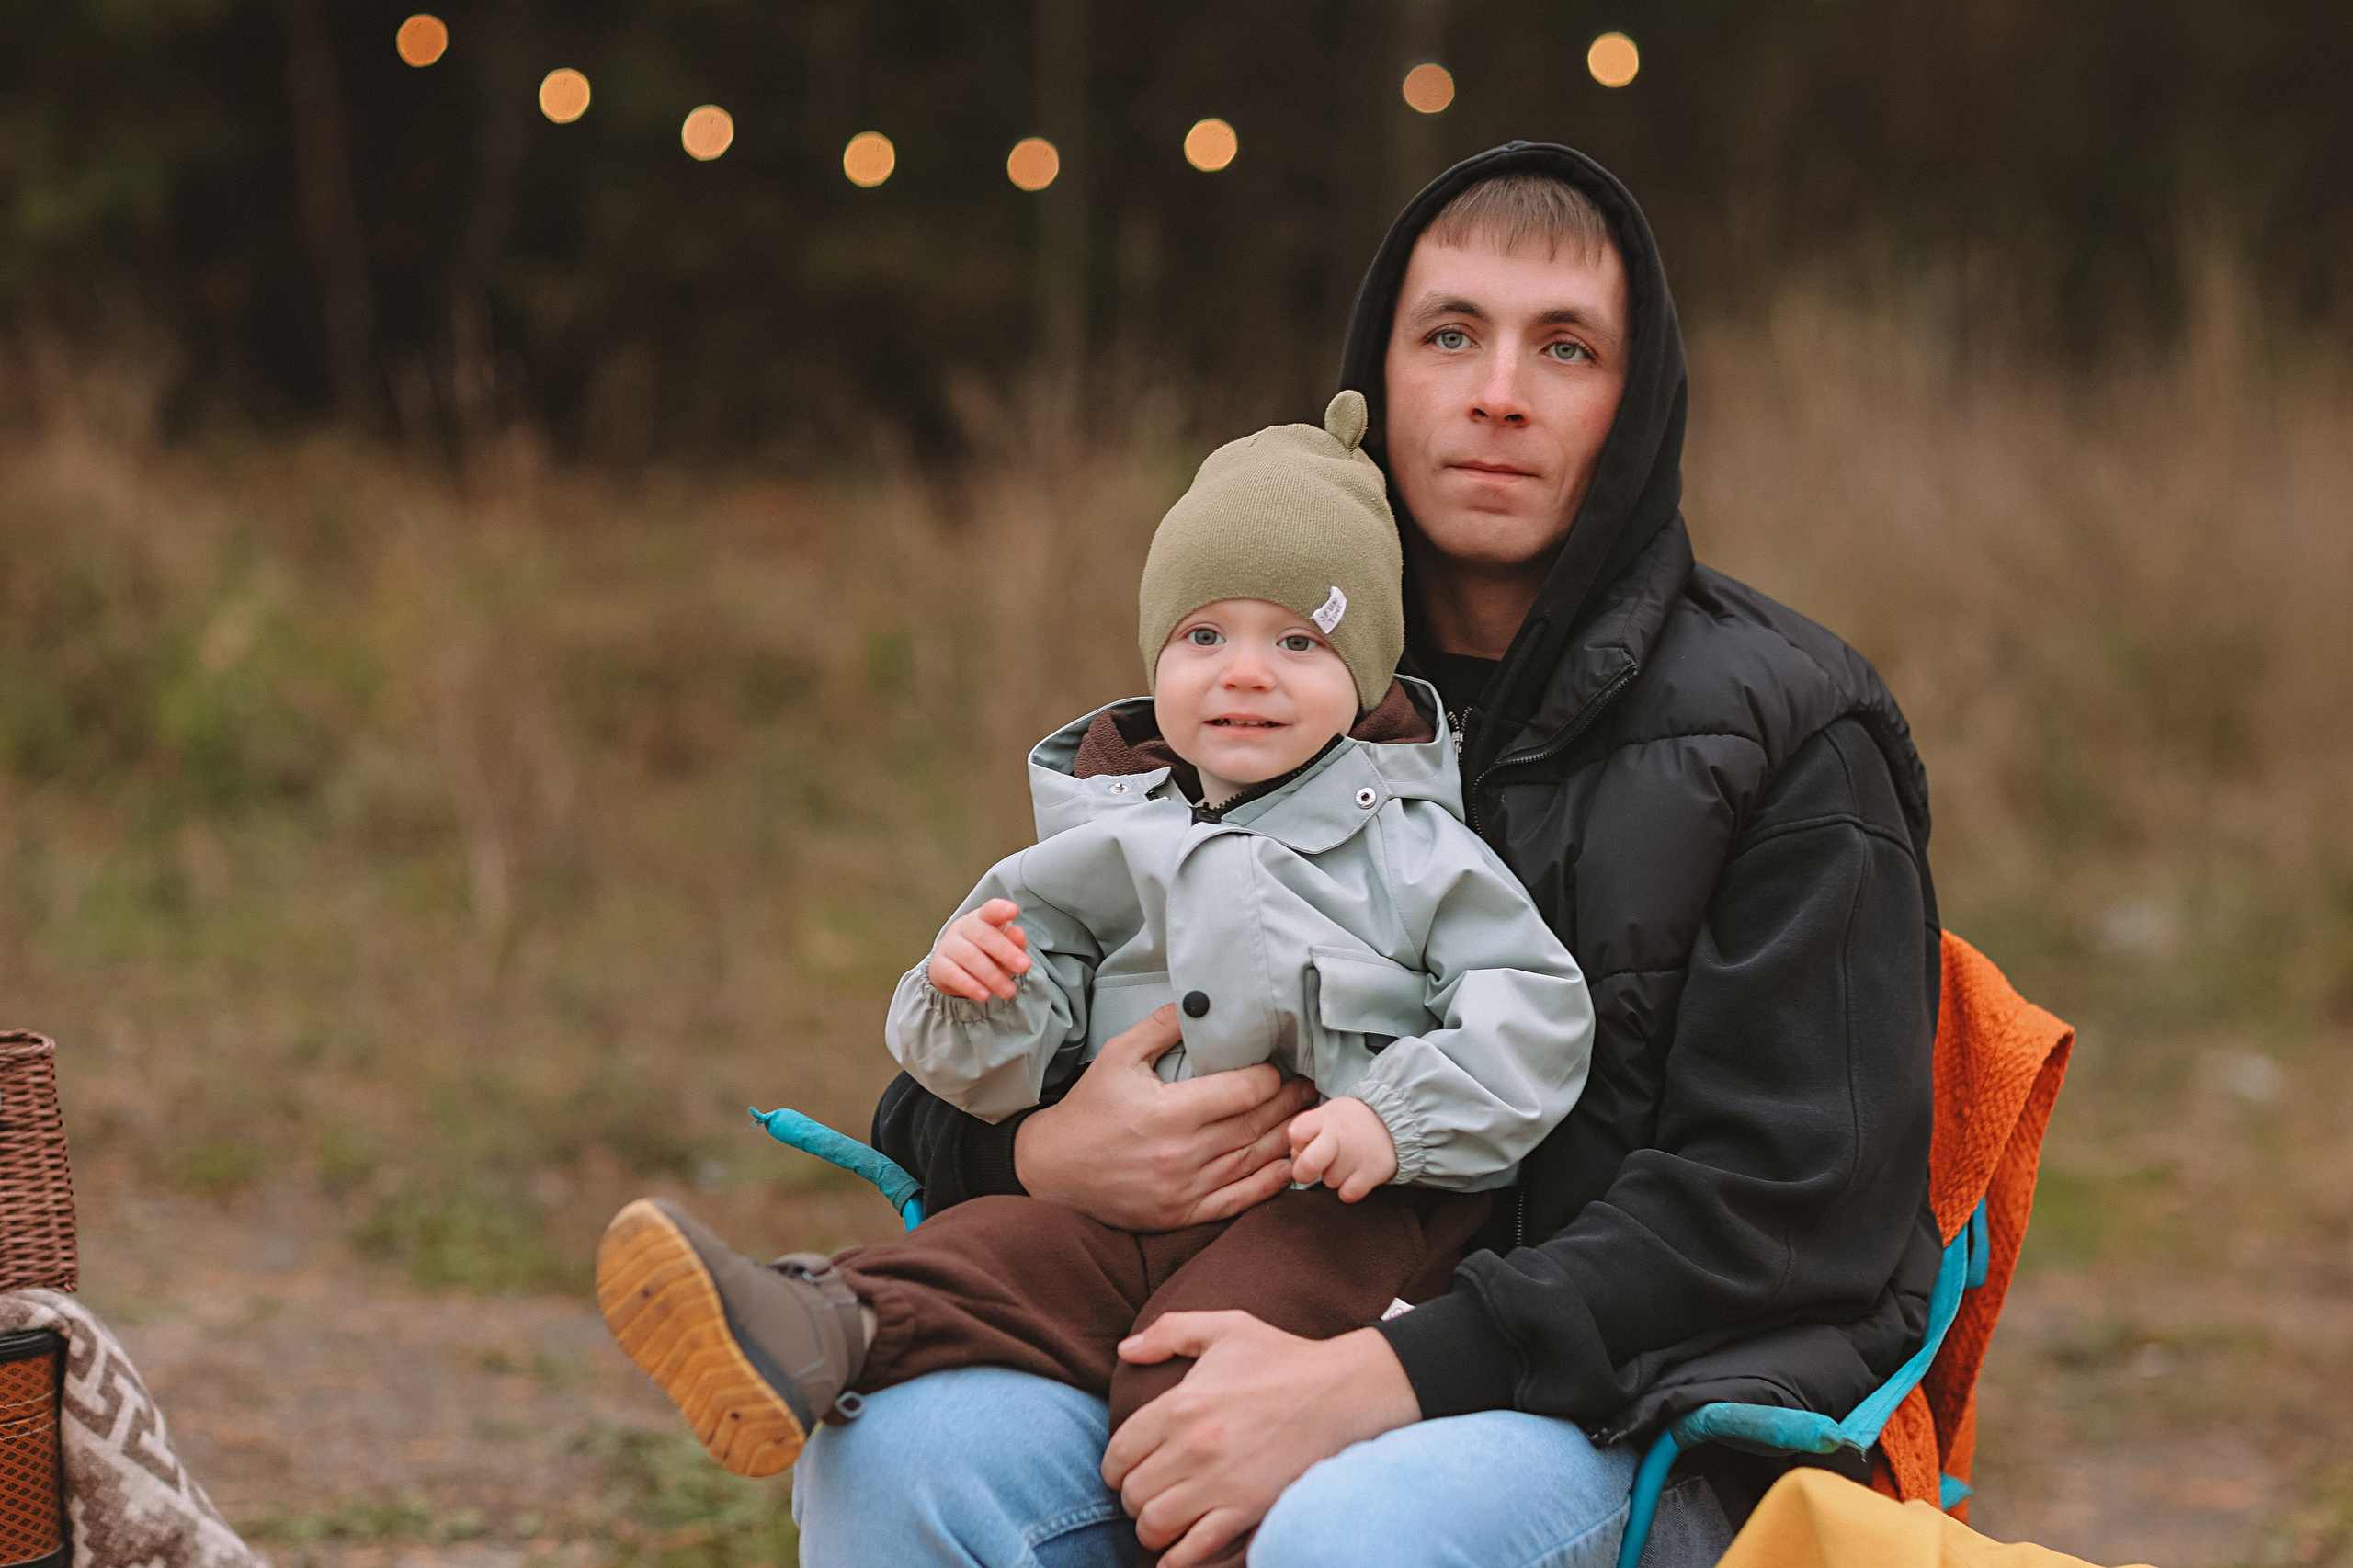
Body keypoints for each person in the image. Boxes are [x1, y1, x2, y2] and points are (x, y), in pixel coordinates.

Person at [799, 142, 1944, 1568]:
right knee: (901, 1456)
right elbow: (999, 1017)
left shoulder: (1787, 733)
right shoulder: (1237, 692)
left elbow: (1790, 1203)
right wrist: (1035, 1144)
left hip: (1630, 1412)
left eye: (1567, 348)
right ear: (1376, 375)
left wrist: (1389, 1378)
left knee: (1354, 1530)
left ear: (1636, 406)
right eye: (1451, 334)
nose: (1499, 393)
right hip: (1207, 1307)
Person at [595, 391, 1595, 1484]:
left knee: (1190, 1372)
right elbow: (1002, 1067)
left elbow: (1531, 1006)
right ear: (1155, 658)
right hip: (1126, 1196)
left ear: (1362, 682)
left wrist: (1393, 1117)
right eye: (1203, 634)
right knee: (987, 1252)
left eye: (1297, 639)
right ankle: (806, 1326)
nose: (1244, 670)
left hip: (1341, 1210)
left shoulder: (1410, 850)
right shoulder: (1097, 843)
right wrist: (970, 993)